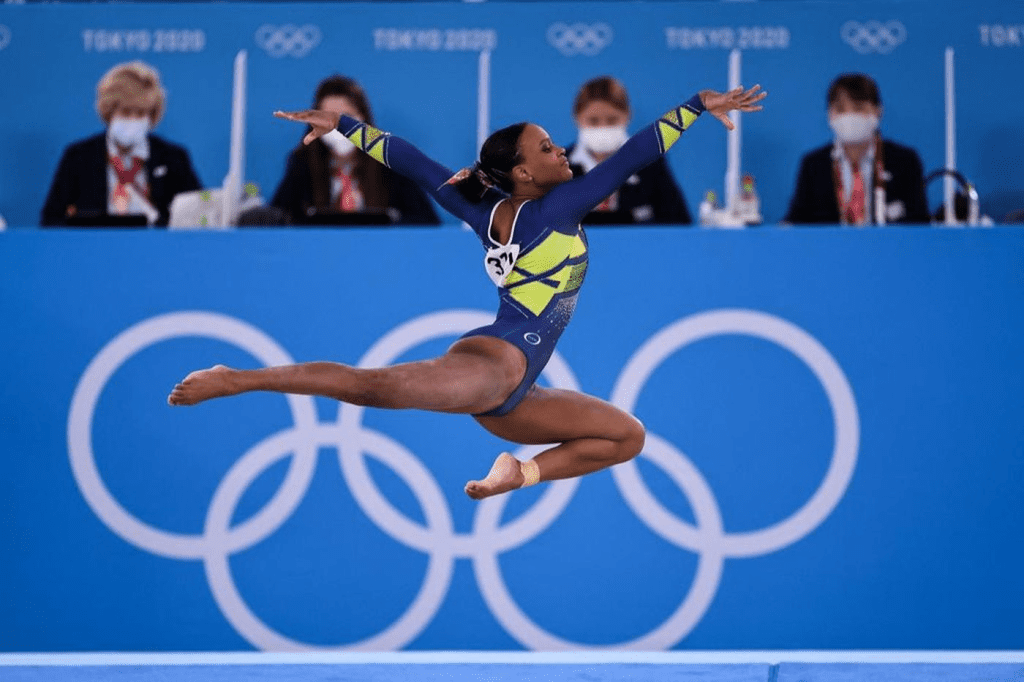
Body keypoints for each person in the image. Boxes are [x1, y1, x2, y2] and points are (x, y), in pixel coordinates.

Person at [168, 84, 766, 499]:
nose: (563, 151)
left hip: (519, 390)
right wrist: (694, 106)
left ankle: (519, 475)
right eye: (548, 148)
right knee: (371, 386)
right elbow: (634, 155)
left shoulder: (483, 209)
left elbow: (415, 164)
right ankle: (237, 378)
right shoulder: (558, 208)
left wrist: (347, 126)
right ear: (525, 173)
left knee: (625, 437)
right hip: (494, 366)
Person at [41, 61, 202, 227]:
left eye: (140, 113)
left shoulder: (173, 158)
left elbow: (198, 217)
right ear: (109, 111)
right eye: (126, 112)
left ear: (151, 115)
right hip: (94, 249)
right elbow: (51, 220)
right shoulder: (79, 157)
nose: (133, 120)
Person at [271, 75, 440, 226]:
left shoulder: (391, 162)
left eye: (346, 117)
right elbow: (279, 220)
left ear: (363, 120)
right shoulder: (302, 163)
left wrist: (387, 224)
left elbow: (426, 221)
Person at [784, 73, 929, 226]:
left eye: (859, 108)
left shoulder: (904, 161)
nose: (849, 116)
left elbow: (919, 223)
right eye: (840, 109)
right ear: (829, 114)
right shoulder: (814, 164)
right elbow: (796, 223)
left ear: (878, 110)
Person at [566, 75, 692, 225]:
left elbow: (678, 224)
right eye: (593, 120)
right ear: (577, 118)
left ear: (627, 116)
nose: (602, 127)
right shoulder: (557, 166)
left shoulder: (650, 163)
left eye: (612, 120)